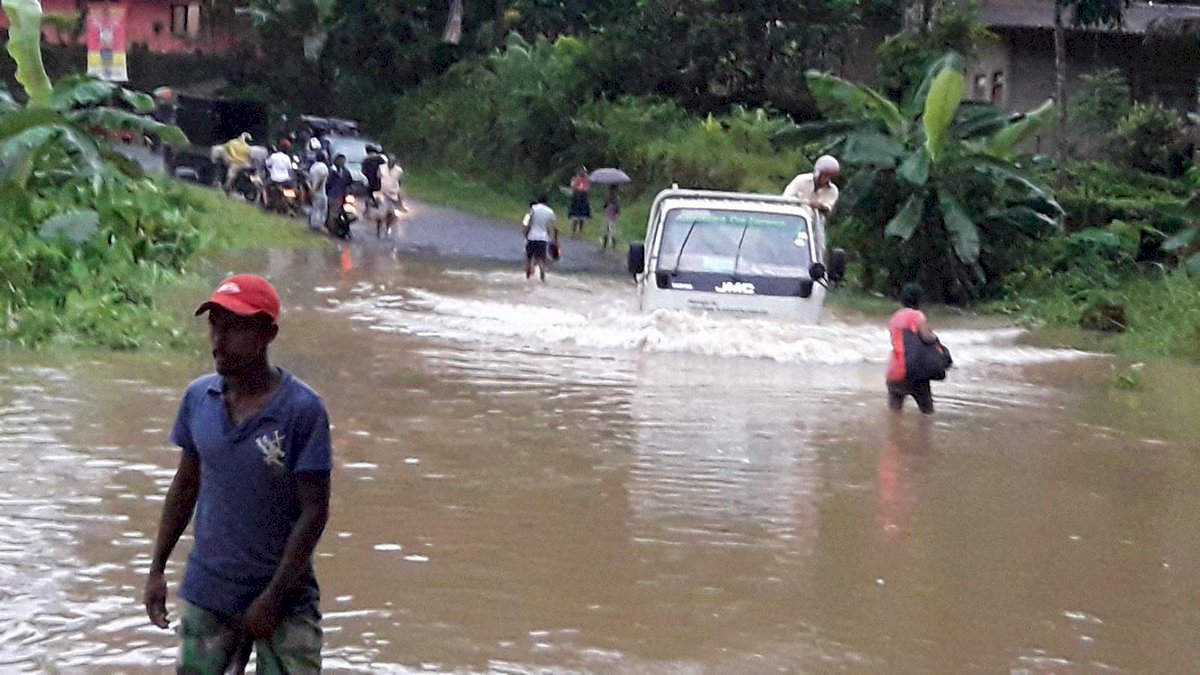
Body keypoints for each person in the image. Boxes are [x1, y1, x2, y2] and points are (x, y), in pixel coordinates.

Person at [144, 274, 332, 673]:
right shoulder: (199, 398)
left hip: (286, 599)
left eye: (234, 327)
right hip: (209, 593)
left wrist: (273, 597)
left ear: (267, 334)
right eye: (215, 325)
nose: (219, 339)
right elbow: (184, 487)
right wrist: (157, 569)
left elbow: (314, 513)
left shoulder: (302, 412)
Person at [886, 283, 940, 415]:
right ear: (919, 299)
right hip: (914, 371)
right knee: (927, 412)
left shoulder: (895, 317)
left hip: (894, 372)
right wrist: (935, 338)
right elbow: (926, 337)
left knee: (895, 413)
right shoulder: (917, 315)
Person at [524, 194, 559, 282]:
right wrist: (555, 240)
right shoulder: (550, 211)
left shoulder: (534, 208)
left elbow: (528, 222)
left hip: (532, 236)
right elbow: (555, 227)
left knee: (529, 259)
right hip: (543, 238)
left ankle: (527, 279)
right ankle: (542, 280)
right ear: (547, 202)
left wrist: (525, 233)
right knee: (541, 261)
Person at [325, 154, 352, 232]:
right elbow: (328, 183)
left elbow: (349, 182)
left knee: (340, 213)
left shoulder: (346, 172)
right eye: (340, 160)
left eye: (343, 160)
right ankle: (331, 229)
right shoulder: (331, 171)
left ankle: (340, 228)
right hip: (333, 194)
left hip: (342, 195)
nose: (342, 162)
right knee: (333, 213)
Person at [307, 152, 330, 232]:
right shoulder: (323, 167)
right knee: (322, 208)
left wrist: (311, 189)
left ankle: (313, 224)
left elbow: (309, 180)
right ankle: (319, 225)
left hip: (313, 188)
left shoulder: (313, 167)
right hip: (320, 190)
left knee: (315, 207)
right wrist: (316, 189)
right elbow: (323, 179)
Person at [568, 167, 591, 236]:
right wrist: (578, 187)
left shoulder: (587, 180)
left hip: (583, 199)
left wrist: (583, 189)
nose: (583, 173)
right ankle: (573, 231)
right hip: (576, 199)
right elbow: (573, 186)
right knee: (575, 217)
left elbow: (588, 188)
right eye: (582, 172)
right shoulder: (575, 179)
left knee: (582, 217)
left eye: (584, 172)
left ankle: (580, 232)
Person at [602, 186, 620, 251]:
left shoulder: (615, 200)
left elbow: (617, 210)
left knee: (611, 231)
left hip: (612, 217)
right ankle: (607, 246)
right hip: (609, 216)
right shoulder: (610, 199)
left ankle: (611, 246)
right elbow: (604, 206)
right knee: (607, 231)